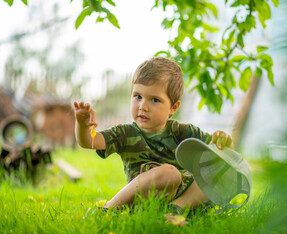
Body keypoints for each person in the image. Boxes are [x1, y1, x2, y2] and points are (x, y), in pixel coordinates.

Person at [73, 57, 233, 214]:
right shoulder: (125, 133)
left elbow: (221, 152)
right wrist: (82, 124)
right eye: (137, 97)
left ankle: (175, 209)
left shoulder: (183, 131)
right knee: (170, 173)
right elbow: (90, 141)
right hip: (145, 199)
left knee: (219, 168)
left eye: (155, 100)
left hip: (184, 197)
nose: (143, 106)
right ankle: (109, 208)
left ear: (173, 108)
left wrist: (222, 140)